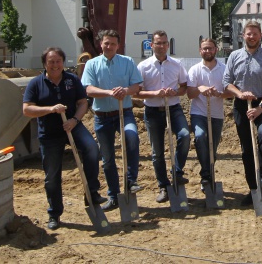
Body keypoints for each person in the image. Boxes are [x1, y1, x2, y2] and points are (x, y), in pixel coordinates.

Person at [23, 47, 105, 230]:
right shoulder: (36, 83)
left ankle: (91, 192)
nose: (55, 65)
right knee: (52, 176)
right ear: (45, 63)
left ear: (63, 62)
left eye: (58, 61)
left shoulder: (72, 80)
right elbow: (27, 109)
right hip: (50, 133)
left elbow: (83, 103)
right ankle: (54, 213)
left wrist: (75, 120)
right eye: (51, 62)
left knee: (91, 148)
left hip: (72, 126)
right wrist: (50, 109)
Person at [82, 30, 143, 211]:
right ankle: (113, 195)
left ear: (118, 45)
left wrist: (125, 91)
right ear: (101, 44)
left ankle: (131, 181)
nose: (109, 47)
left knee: (132, 137)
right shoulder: (92, 64)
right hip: (102, 117)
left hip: (124, 113)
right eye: (106, 43)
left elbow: (137, 86)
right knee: (108, 159)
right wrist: (109, 92)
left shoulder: (127, 62)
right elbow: (88, 90)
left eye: (113, 44)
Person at [223, 20, 262, 206]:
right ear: (243, 36)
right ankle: (253, 188)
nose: (252, 37)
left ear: (260, 35)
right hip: (241, 106)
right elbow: (227, 82)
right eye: (249, 33)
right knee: (247, 148)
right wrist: (240, 94)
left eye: (255, 33)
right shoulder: (234, 56)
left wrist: (260, 107)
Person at [137, 30, 190, 203]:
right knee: (157, 152)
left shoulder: (176, 64)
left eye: (164, 43)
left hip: (173, 108)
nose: (161, 46)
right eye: (158, 43)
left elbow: (184, 87)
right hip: (152, 111)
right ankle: (163, 186)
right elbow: (137, 93)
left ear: (168, 45)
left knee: (184, 135)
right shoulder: (143, 66)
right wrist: (155, 93)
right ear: (151, 45)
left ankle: (177, 171)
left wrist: (174, 92)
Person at [187, 38, 230, 191]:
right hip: (198, 112)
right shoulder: (194, 70)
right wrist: (200, 89)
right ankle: (206, 175)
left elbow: (230, 92)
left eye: (210, 48)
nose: (207, 51)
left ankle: (208, 173)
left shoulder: (224, 69)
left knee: (213, 146)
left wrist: (219, 94)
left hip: (217, 114)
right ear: (200, 51)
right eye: (204, 49)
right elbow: (190, 94)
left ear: (215, 49)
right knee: (200, 137)